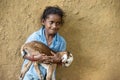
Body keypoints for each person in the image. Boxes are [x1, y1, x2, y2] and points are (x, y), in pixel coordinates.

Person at [21, 6, 66, 80]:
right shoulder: (35, 36)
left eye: (58, 23)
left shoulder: (61, 42)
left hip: (48, 76)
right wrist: (35, 58)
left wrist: (57, 60)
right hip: (30, 75)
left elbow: (61, 61)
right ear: (43, 22)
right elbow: (23, 54)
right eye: (51, 22)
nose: (54, 26)